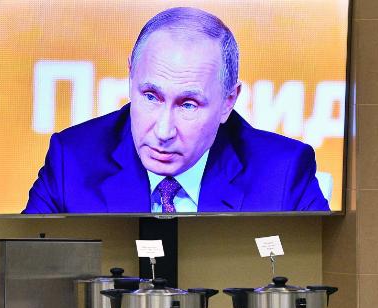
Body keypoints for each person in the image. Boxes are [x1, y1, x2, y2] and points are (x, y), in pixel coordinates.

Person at [23, 7, 330, 214]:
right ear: (131, 75)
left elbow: (315, 289)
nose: (163, 131)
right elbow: (27, 285)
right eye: (151, 97)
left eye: (187, 104)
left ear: (228, 101)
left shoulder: (283, 173)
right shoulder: (71, 161)